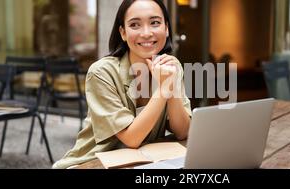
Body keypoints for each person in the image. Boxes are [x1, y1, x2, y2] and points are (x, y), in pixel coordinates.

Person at [52, 0, 192, 169]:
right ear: (123, 33)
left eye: (155, 23)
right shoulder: (101, 72)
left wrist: (169, 84)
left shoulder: (171, 66)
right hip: (92, 163)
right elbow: (132, 139)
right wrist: (163, 90)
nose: (146, 33)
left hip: (144, 162)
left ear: (166, 28)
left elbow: (183, 131)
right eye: (135, 25)